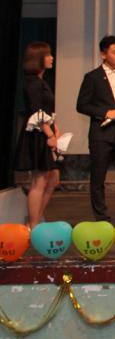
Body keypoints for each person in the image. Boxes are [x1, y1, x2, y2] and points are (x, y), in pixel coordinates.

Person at [76, 35, 115, 223]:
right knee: (98, 176)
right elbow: (82, 105)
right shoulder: (92, 77)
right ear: (103, 54)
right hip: (101, 134)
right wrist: (105, 112)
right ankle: (101, 216)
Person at [15, 42, 60, 228]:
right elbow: (38, 113)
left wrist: (55, 129)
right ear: (38, 59)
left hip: (44, 133)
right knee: (39, 180)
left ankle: (36, 219)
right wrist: (50, 135)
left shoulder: (41, 82)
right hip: (37, 136)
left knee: (53, 178)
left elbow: (46, 112)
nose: (51, 58)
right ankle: (33, 225)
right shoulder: (33, 83)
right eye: (48, 55)